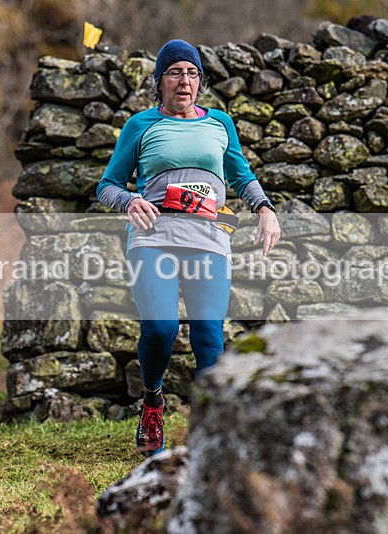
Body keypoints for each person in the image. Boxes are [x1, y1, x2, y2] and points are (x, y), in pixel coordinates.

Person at [96, 39, 281, 457]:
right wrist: (130, 200)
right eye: (176, 72)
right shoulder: (140, 125)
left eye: (193, 73)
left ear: (201, 81)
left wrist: (265, 208)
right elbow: (106, 186)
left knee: (209, 337)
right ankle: (153, 401)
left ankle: (209, 430)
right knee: (160, 328)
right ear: (160, 80)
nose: (185, 80)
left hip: (209, 238)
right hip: (154, 236)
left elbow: (241, 173)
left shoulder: (220, 123)